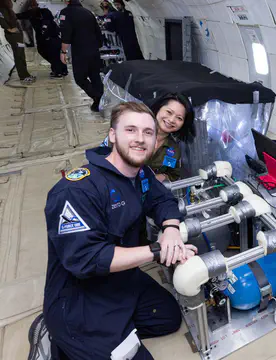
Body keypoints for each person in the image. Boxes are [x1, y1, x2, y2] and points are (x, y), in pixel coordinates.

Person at [36, 102, 198, 359]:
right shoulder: (76, 190)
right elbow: (88, 259)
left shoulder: (141, 174)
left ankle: (111, 333)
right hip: (81, 295)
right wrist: (158, 250)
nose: (140, 139)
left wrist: (171, 230)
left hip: (120, 279)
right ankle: (63, 339)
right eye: (131, 130)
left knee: (167, 316)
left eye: (147, 132)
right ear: (112, 135)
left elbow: (163, 200)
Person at [102, 93, 196, 182]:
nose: (171, 120)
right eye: (169, 112)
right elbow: (103, 155)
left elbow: (173, 175)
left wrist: (160, 177)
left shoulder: (174, 150)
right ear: (159, 108)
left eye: (179, 118)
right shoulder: (129, 129)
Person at [59, 0, 103, 112]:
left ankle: (96, 97)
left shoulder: (66, 12)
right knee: (95, 76)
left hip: (80, 51)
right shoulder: (88, 12)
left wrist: (63, 52)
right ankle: (100, 102)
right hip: (94, 49)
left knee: (80, 78)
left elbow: (66, 34)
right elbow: (98, 31)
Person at [16, 0, 68, 78]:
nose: (33, 7)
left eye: (34, 5)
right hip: (42, 38)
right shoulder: (30, 14)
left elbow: (48, 21)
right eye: (31, 6)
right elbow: (17, 16)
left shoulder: (45, 11)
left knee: (54, 54)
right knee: (44, 52)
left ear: (37, 5)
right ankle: (62, 70)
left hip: (52, 36)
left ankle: (59, 72)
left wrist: (44, 29)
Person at [0, 0, 35, 84]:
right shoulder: (2, 10)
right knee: (18, 55)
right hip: (13, 36)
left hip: (17, 35)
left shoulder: (9, 10)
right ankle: (23, 76)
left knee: (21, 54)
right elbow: (1, 20)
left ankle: (25, 74)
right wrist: (10, 29)